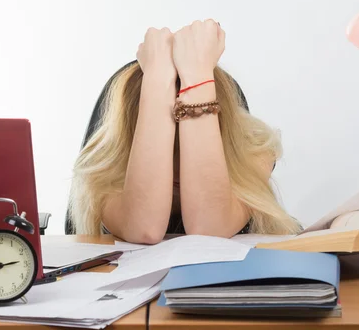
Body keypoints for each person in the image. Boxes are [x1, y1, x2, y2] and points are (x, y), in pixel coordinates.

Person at [68, 19, 301, 244]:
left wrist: (197, 76)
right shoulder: (103, 167)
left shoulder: (254, 146)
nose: (178, 166)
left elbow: (208, 229)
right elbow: (145, 229)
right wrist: (158, 79)